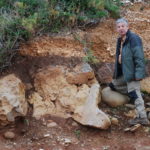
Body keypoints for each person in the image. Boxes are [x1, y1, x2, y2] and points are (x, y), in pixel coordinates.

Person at [109, 18, 149, 125]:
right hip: (124, 73)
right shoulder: (120, 40)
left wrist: (139, 74)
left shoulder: (133, 39)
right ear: (116, 29)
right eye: (119, 27)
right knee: (113, 85)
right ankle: (137, 94)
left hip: (132, 73)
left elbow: (139, 58)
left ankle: (142, 117)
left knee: (134, 92)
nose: (121, 28)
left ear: (128, 27)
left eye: (123, 26)